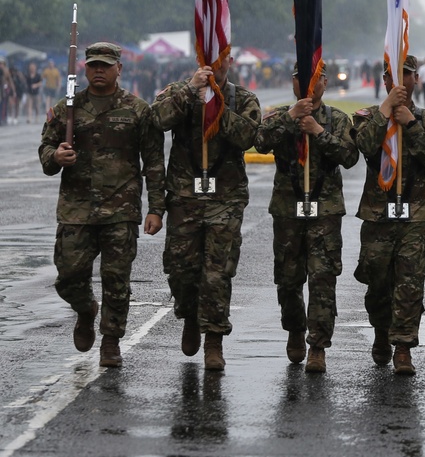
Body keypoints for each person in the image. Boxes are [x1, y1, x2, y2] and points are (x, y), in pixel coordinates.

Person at [38, 42, 165, 367]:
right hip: (76, 209)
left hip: (120, 211)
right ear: (84, 67)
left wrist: (156, 208)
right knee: (68, 275)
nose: (98, 70)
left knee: (117, 280)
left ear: (118, 69)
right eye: (93, 64)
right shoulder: (68, 108)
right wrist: (56, 156)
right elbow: (46, 148)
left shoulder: (138, 110)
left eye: (105, 65)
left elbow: (153, 161)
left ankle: (111, 341)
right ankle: (85, 309)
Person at [151, 55, 261, 371]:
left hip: (225, 196)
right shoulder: (179, 90)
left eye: (222, 59)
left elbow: (249, 137)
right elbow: (157, 120)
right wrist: (190, 92)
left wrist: (215, 106)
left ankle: (214, 338)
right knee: (181, 270)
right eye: (210, 59)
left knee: (218, 271)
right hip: (185, 195)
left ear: (230, 61)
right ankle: (188, 313)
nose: (217, 65)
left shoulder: (243, 98)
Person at [255, 62, 359, 374]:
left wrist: (318, 132)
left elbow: (350, 156)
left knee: (322, 278)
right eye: (301, 78)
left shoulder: (337, 119)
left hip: (324, 209)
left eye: (314, 79)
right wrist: (290, 119)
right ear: (293, 82)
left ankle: (318, 345)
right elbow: (260, 142)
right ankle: (295, 329)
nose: (308, 85)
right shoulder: (279, 115)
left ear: (325, 83)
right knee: (288, 280)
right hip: (288, 208)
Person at [353, 55, 425, 375]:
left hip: (415, 214)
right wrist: (386, 112)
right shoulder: (366, 117)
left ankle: (404, 345)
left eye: (406, 75)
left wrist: (409, 122)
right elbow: (363, 148)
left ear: (416, 79)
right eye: (393, 76)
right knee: (377, 280)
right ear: (384, 82)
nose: (400, 81)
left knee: (410, 281)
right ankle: (381, 330)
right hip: (378, 214)